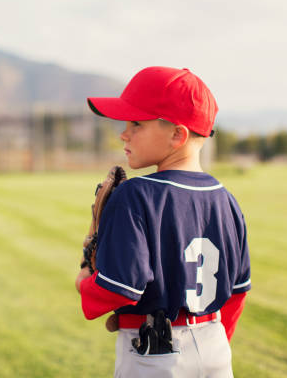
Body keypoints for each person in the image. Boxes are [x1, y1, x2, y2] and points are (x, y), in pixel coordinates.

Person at [75, 67, 251, 377]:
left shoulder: (136, 194)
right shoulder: (227, 200)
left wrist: (84, 283)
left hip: (154, 357)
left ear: (177, 135)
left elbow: (120, 289)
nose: (124, 133)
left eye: (136, 124)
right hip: (216, 348)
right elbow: (237, 292)